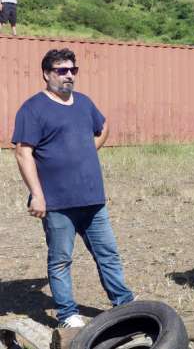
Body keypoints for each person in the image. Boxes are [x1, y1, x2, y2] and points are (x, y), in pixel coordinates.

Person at [12, 48, 134, 328]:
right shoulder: (33, 108)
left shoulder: (83, 103)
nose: (69, 76)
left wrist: (86, 152)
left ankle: (124, 303)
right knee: (61, 260)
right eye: (61, 70)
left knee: (108, 254)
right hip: (56, 203)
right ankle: (68, 315)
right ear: (46, 74)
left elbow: (102, 127)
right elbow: (23, 153)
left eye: (72, 70)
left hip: (92, 198)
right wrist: (38, 195)